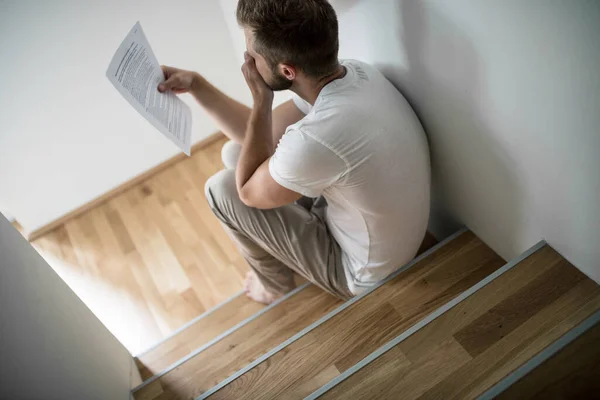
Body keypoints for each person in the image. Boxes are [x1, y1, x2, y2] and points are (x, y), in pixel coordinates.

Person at [157, 0, 430, 304]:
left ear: (286, 70)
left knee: (220, 189)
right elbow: (257, 136)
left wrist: (262, 100)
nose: (247, 59)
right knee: (236, 153)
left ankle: (273, 286)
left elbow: (246, 192)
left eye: (252, 53)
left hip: (363, 271)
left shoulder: (316, 137)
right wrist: (196, 85)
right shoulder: (352, 74)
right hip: (383, 233)